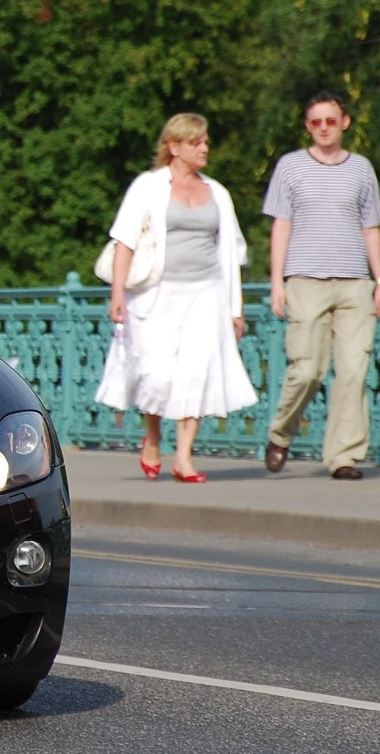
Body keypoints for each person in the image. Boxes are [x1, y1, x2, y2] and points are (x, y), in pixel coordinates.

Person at [95, 113, 258, 482]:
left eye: (205, 142)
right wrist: (117, 293)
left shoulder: (217, 192)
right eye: (196, 142)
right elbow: (125, 240)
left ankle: (184, 457)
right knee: (155, 373)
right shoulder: (148, 186)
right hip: (157, 294)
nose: (205, 148)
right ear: (174, 146)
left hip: (206, 294)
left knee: (196, 373)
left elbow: (230, 254)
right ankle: (152, 437)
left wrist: (236, 308)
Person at [263, 92, 380, 480]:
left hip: (354, 282)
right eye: (315, 122)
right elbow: (281, 225)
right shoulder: (291, 167)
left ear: (344, 123)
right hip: (305, 280)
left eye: (330, 121)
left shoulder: (361, 169)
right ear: (307, 126)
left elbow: (371, 227)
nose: (323, 129)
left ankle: (344, 456)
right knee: (307, 369)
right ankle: (281, 433)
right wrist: (277, 282)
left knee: (353, 370)